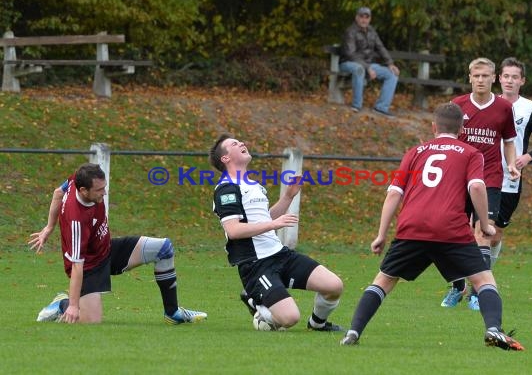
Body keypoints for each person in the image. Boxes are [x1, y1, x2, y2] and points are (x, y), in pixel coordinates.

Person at [340, 103, 524, 351]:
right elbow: (478, 187)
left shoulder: (415, 151)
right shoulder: (470, 153)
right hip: (450, 228)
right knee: (483, 279)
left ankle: (353, 331)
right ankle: (493, 329)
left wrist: (381, 234)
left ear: (433, 126)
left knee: (384, 280)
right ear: (462, 128)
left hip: (412, 226)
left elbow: (394, 193)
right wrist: (483, 223)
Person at [29, 163, 207, 324]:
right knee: (90, 321)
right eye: (99, 190)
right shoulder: (77, 218)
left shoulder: (77, 177)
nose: (104, 193)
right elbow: (77, 266)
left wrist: (48, 227)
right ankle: (62, 304)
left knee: (164, 248)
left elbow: (57, 193)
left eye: (104, 187)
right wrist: (73, 306)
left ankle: (173, 313)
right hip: (89, 267)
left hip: (106, 250)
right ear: (83, 190)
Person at [209, 134, 343, 332]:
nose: (242, 143)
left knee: (334, 286)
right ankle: (254, 300)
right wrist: (273, 225)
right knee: (289, 319)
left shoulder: (254, 186)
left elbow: (265, 218)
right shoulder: (226, 189)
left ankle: (317, 324)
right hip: (256, 265)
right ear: (225, 158)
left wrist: (288, 197)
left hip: (280, 254)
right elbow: (234, 230)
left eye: (240, 141)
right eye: (234, 144)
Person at [440, 57, 521, 311]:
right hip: (458, 177)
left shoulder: (504, 108)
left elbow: (508, 141)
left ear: (494, 78)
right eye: (476, 76)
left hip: (490, 178)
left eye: (486, 76)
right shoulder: (457, 106)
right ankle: (457, 287)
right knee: (452, 232)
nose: (481, 80)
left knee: (484, 232)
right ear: (470, 78)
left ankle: (478, 293)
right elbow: (447, 141)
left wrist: (511, 164)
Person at [490, 57, 532, 264]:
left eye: (514, 77)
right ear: (499, 78)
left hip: (510, 179)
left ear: (522, 81)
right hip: (485, 175)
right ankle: (474, 287)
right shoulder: (488, 103)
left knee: (495, 233)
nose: (509, 80)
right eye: (506, 76)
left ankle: (481, 282)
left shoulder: (531, 109)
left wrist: (528, 156)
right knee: (478, 231)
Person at [340, 6, 400, 117]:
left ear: (370, 19)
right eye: (361, 17)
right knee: (359, 69)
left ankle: (381, 107)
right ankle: (356, 105)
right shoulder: (350, 31)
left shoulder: (372, 31)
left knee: (392, 74)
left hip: (367, 64)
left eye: (366, 17)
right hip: (348, 63)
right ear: (356, 18)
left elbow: (380, 47)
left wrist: (390, 63)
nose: (364, 20)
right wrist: (368, 67)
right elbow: (351, 54)